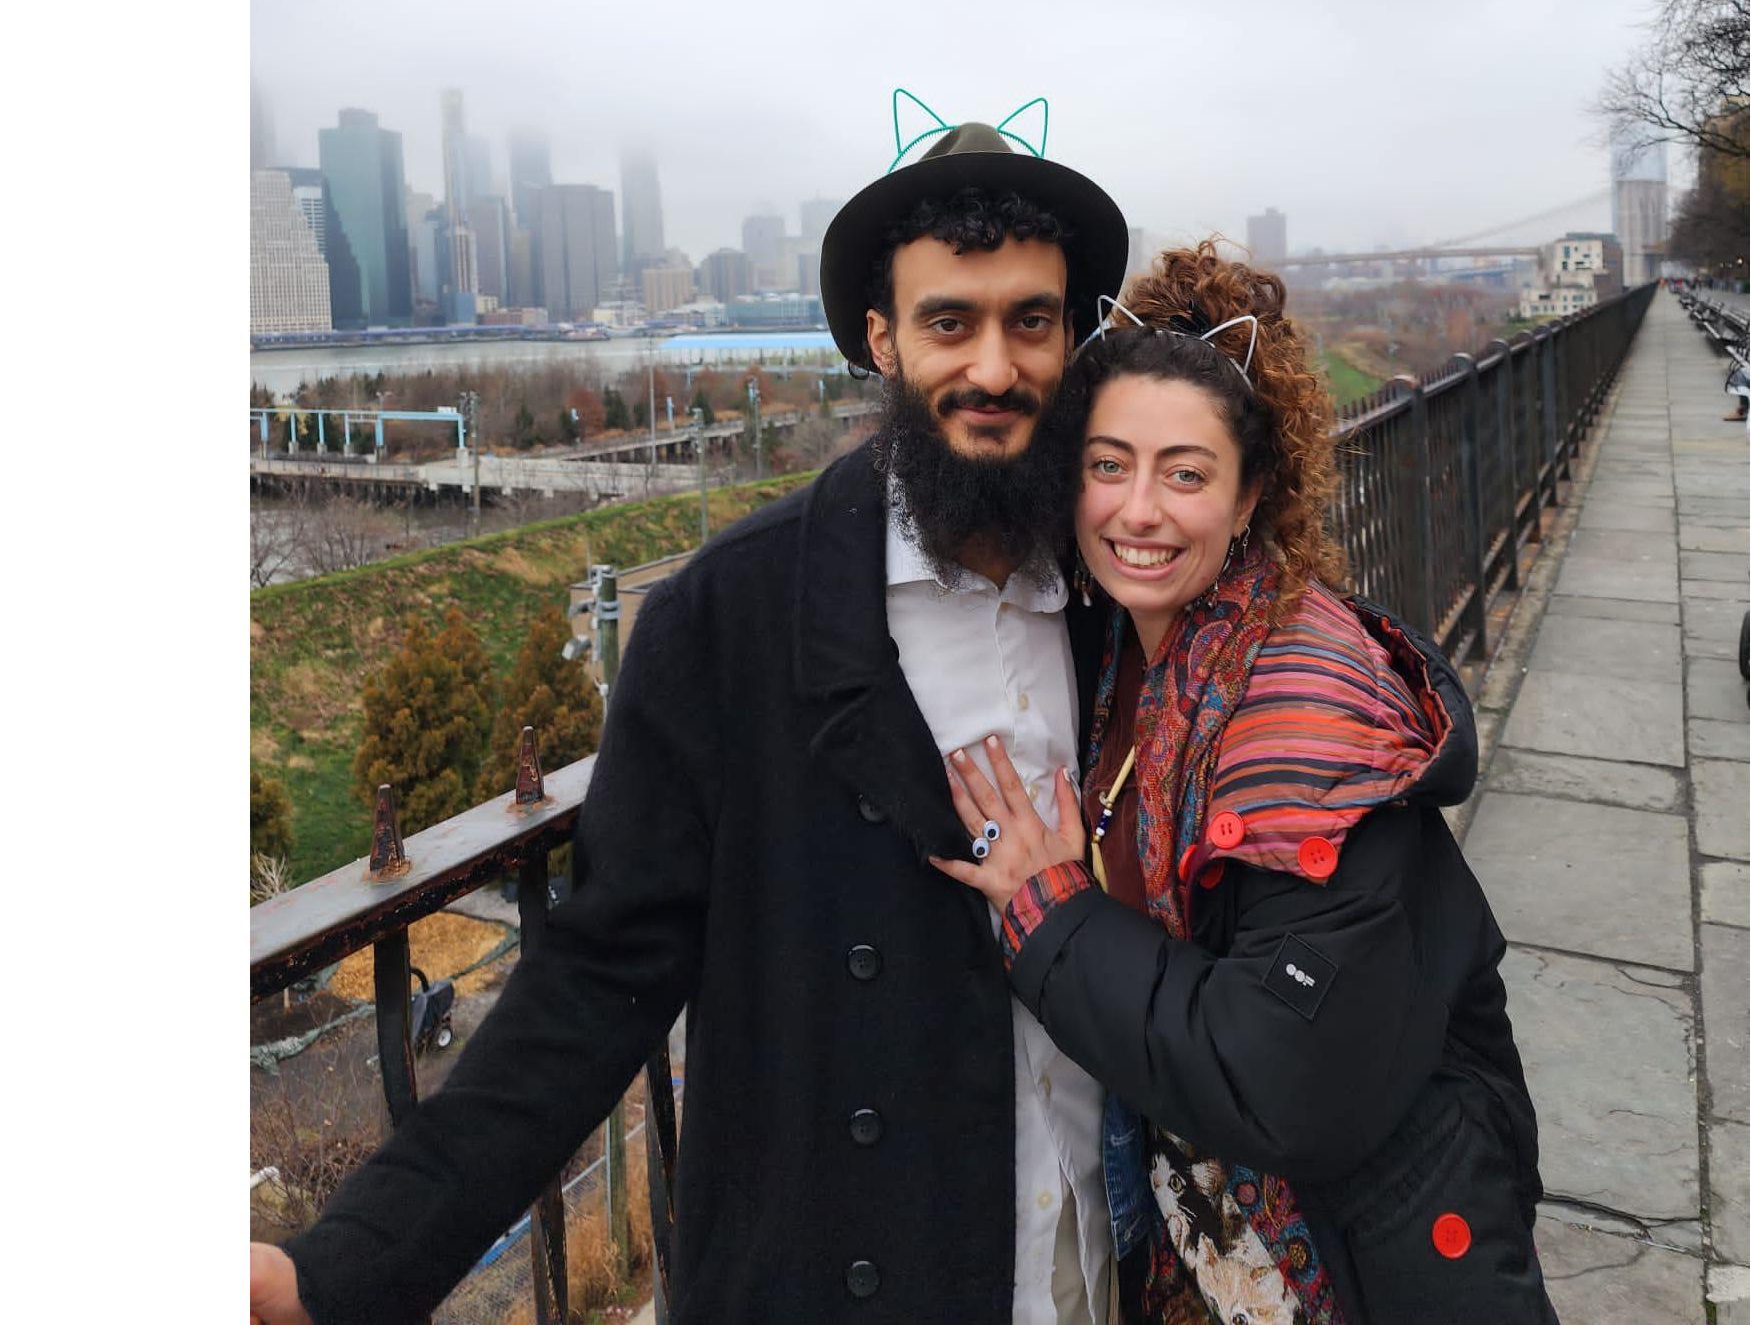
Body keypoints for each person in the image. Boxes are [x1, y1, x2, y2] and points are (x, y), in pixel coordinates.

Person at [250, 107, 1131, 1324]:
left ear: (1072, 337)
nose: (993, 367)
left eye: (1029, 320)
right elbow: (593, 977)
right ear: (880, 339)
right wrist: (343, 1270)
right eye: (949, 321)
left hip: (1091, 1253)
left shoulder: (1114, 592)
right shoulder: (731, 616)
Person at [934, 243, 1559, 1323]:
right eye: (1108, 464)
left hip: (1369, 1252)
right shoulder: (1134, 646)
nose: (1137, 510)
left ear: (1249, 494)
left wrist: (1049, 913)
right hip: (1225, 1237)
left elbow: (1282, 1076)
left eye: (1185, 474)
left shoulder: (1299, 713)